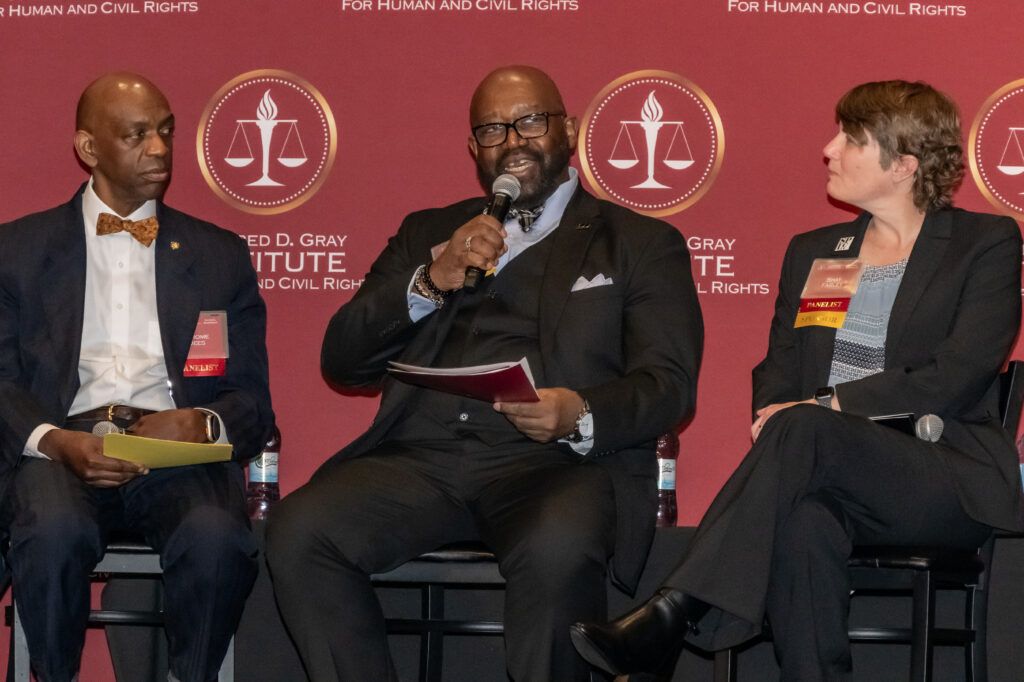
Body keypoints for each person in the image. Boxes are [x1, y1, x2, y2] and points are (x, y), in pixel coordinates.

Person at [571, 79, 1024, 681]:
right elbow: (779, 367)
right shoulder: (815, 251)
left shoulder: (983, 243)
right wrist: (786, 411)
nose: (829, 149)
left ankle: (673, 610)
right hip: (824, 470)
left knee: (806, 425)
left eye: (851, 139)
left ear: (904, 164)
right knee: (805, 524)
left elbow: (956, 376)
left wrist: (827, 406)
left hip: (941, 475)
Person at [265, 64, 703, 681]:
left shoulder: (639, 242)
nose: (513, 141)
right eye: (493, 130)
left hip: (553, 466)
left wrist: (577, 412)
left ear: (568, 130)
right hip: (420, 459)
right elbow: (343, 360)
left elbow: (668, 385)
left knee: (558, 547)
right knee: (301, 530)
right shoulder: (428, 232)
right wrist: (430, 280)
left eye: (531, 121)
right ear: (475, 150)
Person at [0, 72, 274, 682]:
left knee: (217, 539)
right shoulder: (16, 251)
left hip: (176, 453)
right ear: (88, 148)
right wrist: (55, 441)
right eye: (137, 134)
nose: (159, 148)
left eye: (166, 131)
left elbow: (252, 400)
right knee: (52, 532)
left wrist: (202, 423)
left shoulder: (220, 255)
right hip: (63, 446)